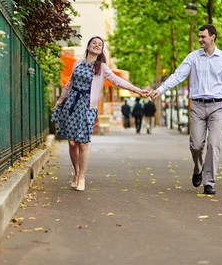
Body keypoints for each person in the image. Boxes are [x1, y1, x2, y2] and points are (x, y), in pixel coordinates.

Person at [149, 24, 222, 195]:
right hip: (196, 105)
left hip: (217, 106)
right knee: (196, 145)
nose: (200, 39)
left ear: (213, 37)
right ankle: (198, 169)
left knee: (214, 144)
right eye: (198, 36)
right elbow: (178, 75)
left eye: (203, 36)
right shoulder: (193, 57)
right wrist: (160, 90)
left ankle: (209, 182)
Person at [52, 37, 149, 191]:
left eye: (100, 45)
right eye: (94, 43)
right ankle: (76, 173)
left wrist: (137, 90)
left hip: (88, 107)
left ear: (101, 50)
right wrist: (60, 100)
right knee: (71, 143)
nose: (97, 45)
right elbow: (70, 83)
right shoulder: (77, 63)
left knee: (83, 143)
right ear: (88, 46)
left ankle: (82, 177)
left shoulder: (101, 67)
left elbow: (118, 81)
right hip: (71, 104)